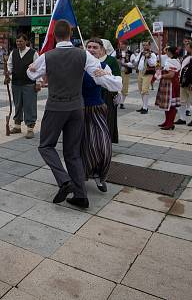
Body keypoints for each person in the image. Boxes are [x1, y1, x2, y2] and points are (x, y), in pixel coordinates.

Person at [27, 21, 121, 209]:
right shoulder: (84, 54)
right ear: (70, 34)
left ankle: (64, 180)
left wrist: (31, 68)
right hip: (77, 108)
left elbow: (31, 75)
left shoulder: (48, 56)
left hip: (56, 107)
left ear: (54, 36)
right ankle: (81, 196)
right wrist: (113, 80)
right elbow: (99, 77)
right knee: (73, 153)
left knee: (46, 146)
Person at [81, 38, 120, 191]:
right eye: (89, 47)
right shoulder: (79, 66)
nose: (91, 49)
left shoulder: (104, 66)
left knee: (103, 146)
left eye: (95, 47)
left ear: (102, 50)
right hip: (79, 110)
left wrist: (105, 74)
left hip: (97, 109)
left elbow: (115, 83)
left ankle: (99, 175)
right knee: (82, 146)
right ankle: (81, 177)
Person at [4, 33, 39, 138]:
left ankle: (30, 128)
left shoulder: (33, 53)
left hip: (29, 83)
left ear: (26, 41)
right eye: (17, 41)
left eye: (21, 41)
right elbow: (10, 65)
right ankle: (17, 126)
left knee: (29, 106)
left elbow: (38, 68)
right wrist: (8, 73)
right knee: (18, 104)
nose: (18, 43)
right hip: (16, 83)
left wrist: (38, 82)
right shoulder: (13, 53)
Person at [100, 39, 122, 143]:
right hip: (93, 93)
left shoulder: (111, 60)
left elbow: (117, 77)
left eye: (97, 47)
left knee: (107, 117)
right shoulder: (90, 59)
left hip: (107, 93)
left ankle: (106, 140)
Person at [156, 46, 181, 130]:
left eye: (167, 51)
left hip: (170, 83)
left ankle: (170, 123)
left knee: (170, 104)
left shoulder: (172, 61)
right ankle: (167, 121)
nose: (166, 52)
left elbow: (171, 75)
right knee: (167, 104)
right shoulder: (175, 60)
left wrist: (161, 76)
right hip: (170, 83)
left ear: (170, 52)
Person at [131, 41, 157, 114]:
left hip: (148, 73)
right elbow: (136, 61)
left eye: (146, 45)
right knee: (141, 90)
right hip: (140, 72)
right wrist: (132, 60)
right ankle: (143, 106)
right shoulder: (141, 53)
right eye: (143, 45)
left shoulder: (152, 54)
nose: (144, 46)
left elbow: (153, 64)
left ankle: (145, 108)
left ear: (149, 46)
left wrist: (148, 57)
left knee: (145, 90)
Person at [116, 39, 134, 109]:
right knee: (117, 86)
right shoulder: (116, 52)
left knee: (125, 88)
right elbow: (111, 59)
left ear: (126, 45)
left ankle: (122, 102)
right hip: (117, 72)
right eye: (120, 44)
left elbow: (133, 64)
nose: (120, 45)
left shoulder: (130, 53)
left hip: (126, 72)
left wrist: (125, 64)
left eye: (122, 44)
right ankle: (117, 101)